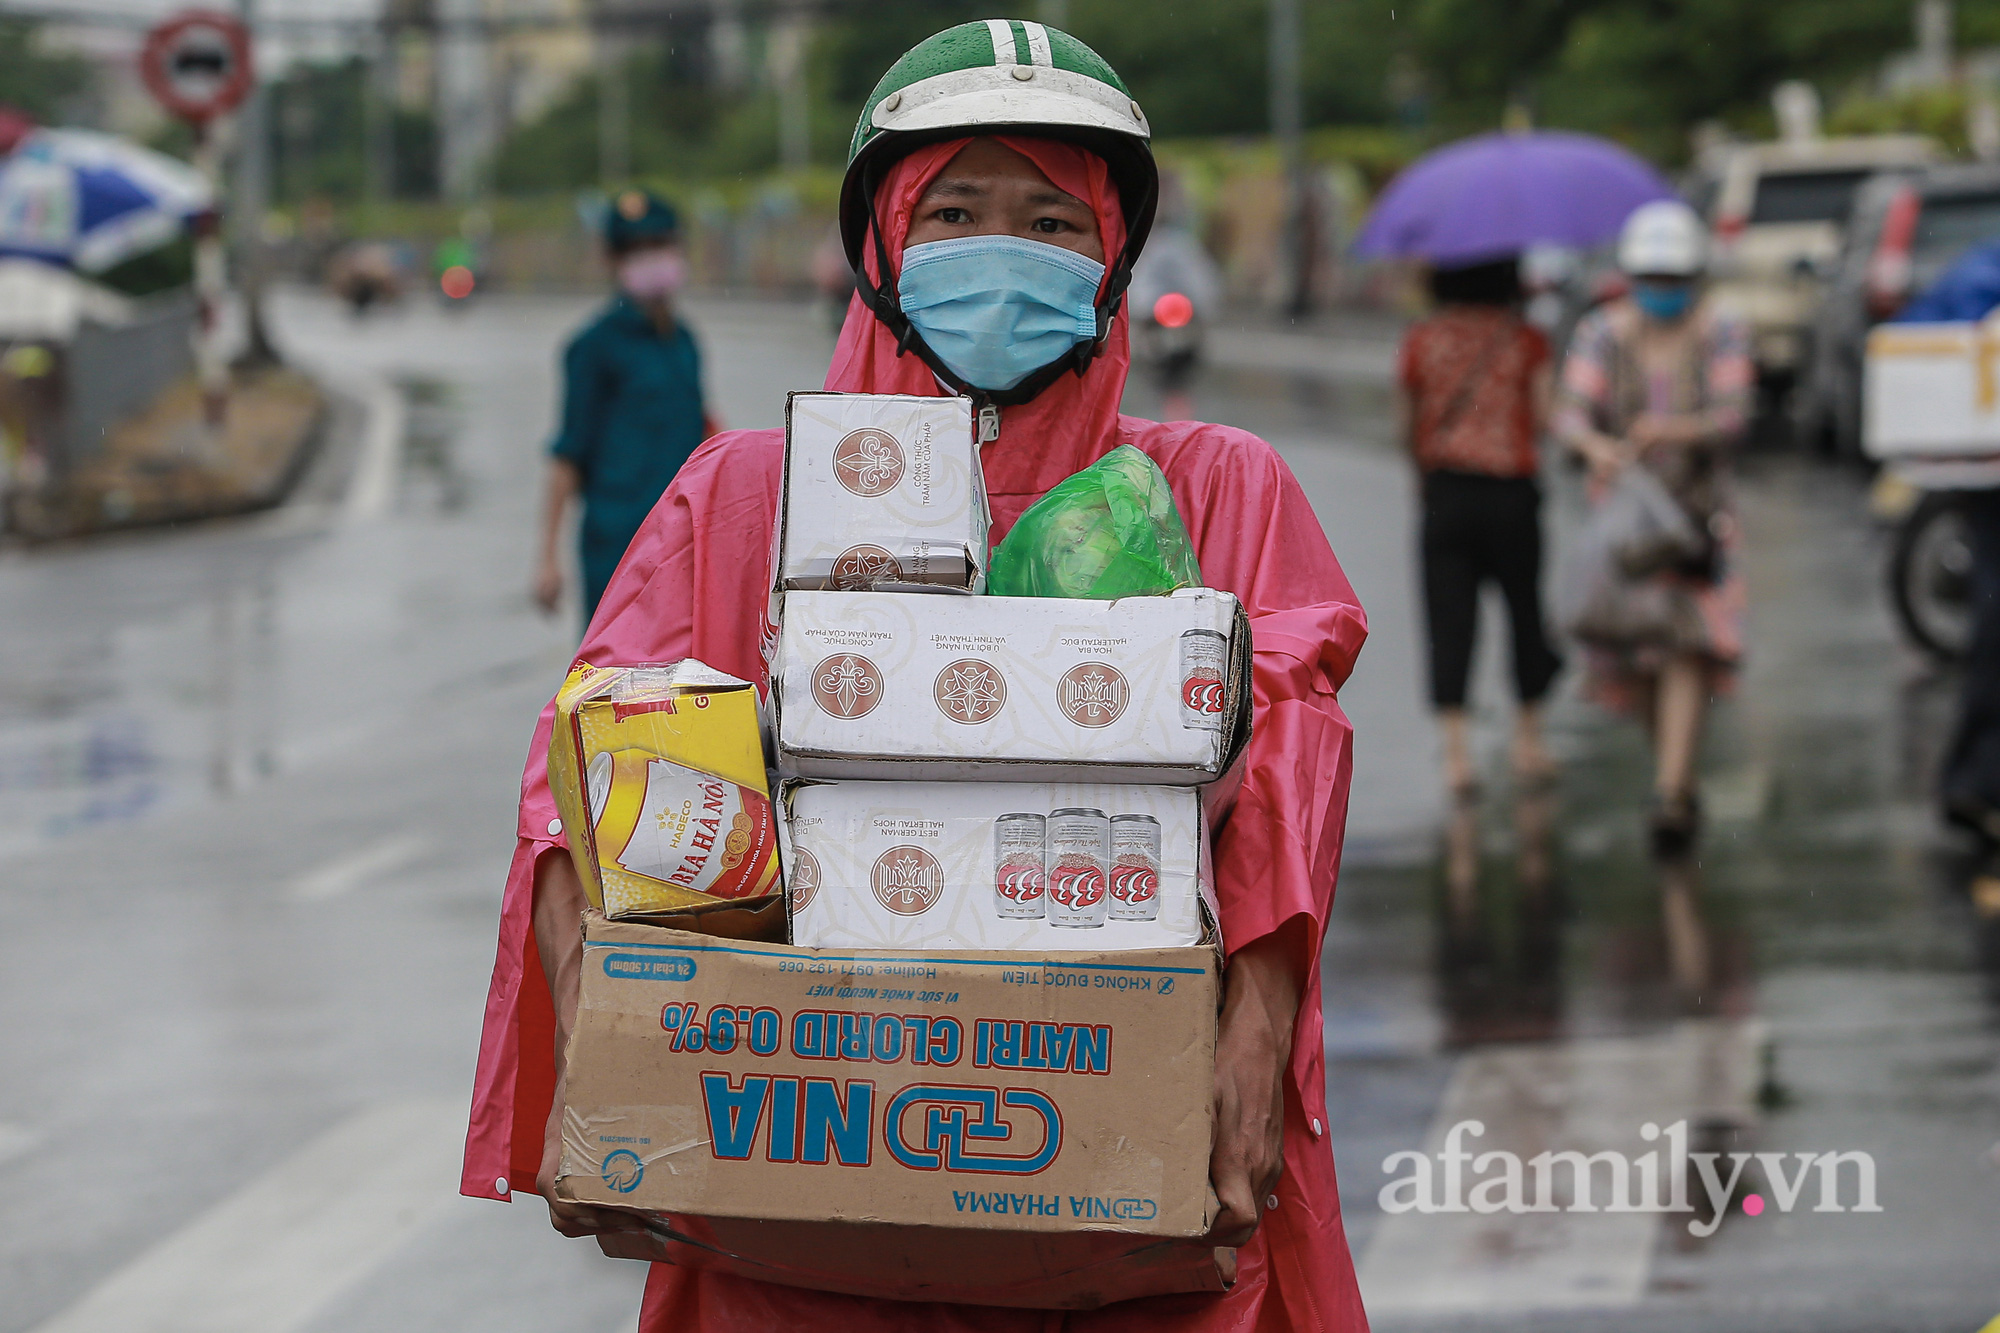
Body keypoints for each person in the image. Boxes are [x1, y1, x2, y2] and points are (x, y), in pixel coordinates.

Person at [461, 21, 1370, 1333]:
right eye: (952, 210)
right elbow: (594, 776)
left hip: (1134, 1235)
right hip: (800, 1243)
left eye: (1055, 223)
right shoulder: (743, 499)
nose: (1003, 251)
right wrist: (610, 1061)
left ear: (1114, 260)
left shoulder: (1218, 488)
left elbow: (1291, 759)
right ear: (882, 249)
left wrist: (1258, 1030)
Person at [1554, 200, 1752, 860]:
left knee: (1686, 649)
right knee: (1635, 658)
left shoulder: (1721, 329)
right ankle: (1675, 773)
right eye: (1651, 279)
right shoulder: (1602, 333)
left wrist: (1674, 430)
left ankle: (1670, 791)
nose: (1662, 292)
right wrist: (1594, 447)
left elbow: (1733, 415)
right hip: (1627, 534)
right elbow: (1570, 414)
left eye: (1673, 280)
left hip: (1697, 525)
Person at [1397, 256, 1562, 795]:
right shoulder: (1525, 340)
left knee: (1449, 618)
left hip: (1446, 493)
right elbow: (1541, 418)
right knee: (1523, 610)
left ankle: (1457, 756)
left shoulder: (1423, 340)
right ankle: (1529, 740)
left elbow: (1408, 423)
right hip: (1511, 494)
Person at [532, 189, 710, 624]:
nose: (650, 258)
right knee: (613, 684)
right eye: (635, 250)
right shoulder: (594, 347)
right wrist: (548, 558)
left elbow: (704, 434)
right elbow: (569, 455)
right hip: (619, 551)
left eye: (659, 246)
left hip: (688, 546)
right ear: (613, 261)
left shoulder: (684, 340)